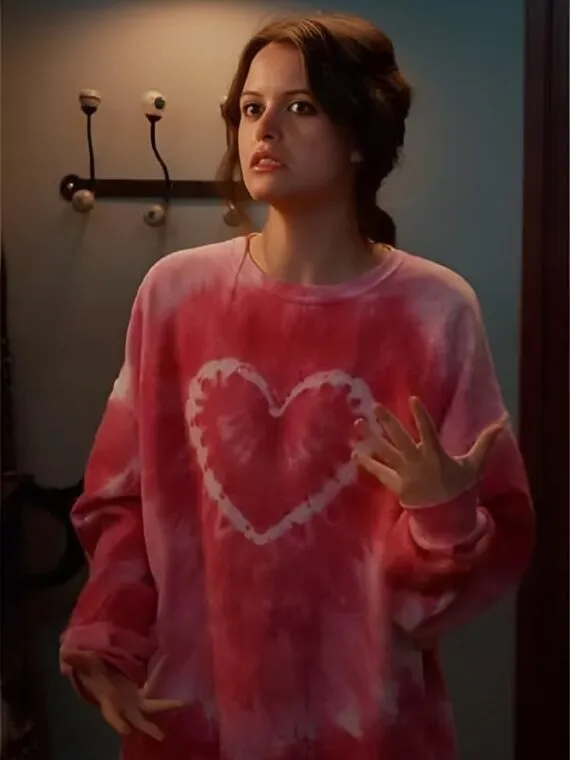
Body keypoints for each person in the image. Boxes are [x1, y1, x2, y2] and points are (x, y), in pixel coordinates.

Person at [59, 12, 535, 760]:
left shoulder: (434, 311)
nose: (265, 128)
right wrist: (108, 634)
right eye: (252, 107)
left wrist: (442, 515)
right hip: (192, 717)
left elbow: (495, 533)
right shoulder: (175, 295)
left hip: (367, 725)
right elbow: (120, 499)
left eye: (301, 106)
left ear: (360, 134)